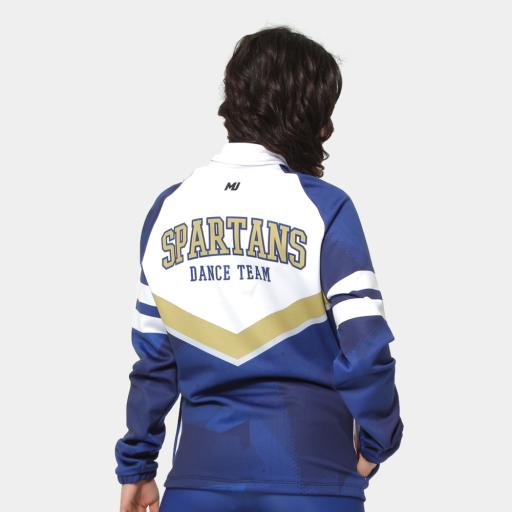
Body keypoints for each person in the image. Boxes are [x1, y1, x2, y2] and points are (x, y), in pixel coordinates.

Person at [114, 25, 403, 512]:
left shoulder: (167, 209)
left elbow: (154, 362)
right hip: (314, 482)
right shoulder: (326, 208)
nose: (329, 130)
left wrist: (138, 468)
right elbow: (365, 346)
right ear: (308, 116)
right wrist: (377, 443)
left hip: (197, 485)